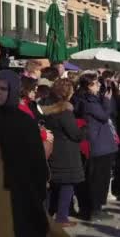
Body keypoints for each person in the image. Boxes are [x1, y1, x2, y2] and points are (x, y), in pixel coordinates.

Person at [0, 70, 71, 237]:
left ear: (13, 91)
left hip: (21, 193)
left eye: (3, 89)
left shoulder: (24, 121)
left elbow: (36, 162)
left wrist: (37, 189)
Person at [73, 73, 118, 221]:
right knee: (98, 179)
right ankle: (95, 209)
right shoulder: (89, 102)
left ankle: (92, 207)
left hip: (98, 143)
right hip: (99, 144)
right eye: (96, 83)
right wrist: (106, 100)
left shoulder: (85, 98)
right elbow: (104, 116)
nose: (99, 86)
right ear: (88, 86)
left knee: (95, 178)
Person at [41, 79, 85, 227]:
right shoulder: (64, 111)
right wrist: (85, 130)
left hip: (53, 150)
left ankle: (49, 214)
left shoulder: (47, 108)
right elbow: (74, 134)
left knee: (54, 185)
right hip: (66, 154)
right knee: (67, 185)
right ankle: (61, 217)